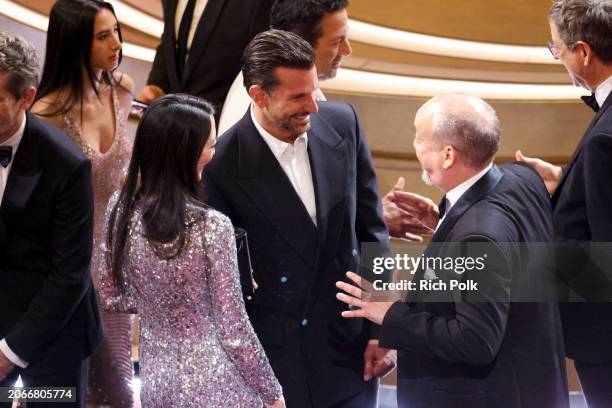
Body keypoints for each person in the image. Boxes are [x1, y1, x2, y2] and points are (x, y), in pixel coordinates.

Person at [336, 93, 569, 407]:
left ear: (448, 155)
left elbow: (475, 340)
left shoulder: (477, 236)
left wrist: (391, 313)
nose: (415, 146)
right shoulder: (523, 179)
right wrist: (445, 223)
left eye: (419, 138)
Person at [203, 29, 394, 408]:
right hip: (279, 370)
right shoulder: (220, 165)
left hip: (353, 354)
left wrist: (379, 329)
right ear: (258, 95)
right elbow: (226, 291)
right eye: (298, 97)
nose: (314, 106)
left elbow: (372, 233)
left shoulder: (345, 124)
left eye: (313, 90)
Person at [98, 94, 284, 407]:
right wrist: (272, 393)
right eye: (211, 144)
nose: (214, 153)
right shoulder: (212, 226)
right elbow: (234, 329)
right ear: (188, 152)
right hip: (219, 384)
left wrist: (160, 302)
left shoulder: (120, 207)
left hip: (156, 382)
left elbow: (111, 295)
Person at [30, 1, 135, 406]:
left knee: (121, 386)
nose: (117, 43)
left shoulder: (122, 89)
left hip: (117, 255)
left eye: (117, 31)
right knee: (82, 383)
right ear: (75, 42)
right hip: (72, 260)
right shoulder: (46, 113)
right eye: (103, 35)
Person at [515, 0, 612, 406]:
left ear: (583, 52)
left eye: (556, 48)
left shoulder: (606, 138)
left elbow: (604, 259)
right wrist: (565, 184)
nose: (557, 57)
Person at [0, 31, 101, 407]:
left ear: (27, 97)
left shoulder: (68, 165)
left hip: (55, 335)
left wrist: (10, 352)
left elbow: (70, 274)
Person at [138, 0, 274, 120]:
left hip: (219, 130)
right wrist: (157, 84)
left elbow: (262, 69)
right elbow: (170, 38)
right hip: (171, 125)